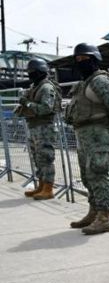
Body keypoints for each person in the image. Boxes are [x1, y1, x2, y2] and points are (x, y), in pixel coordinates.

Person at [64, 44, 109, 235]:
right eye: (78, 59)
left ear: (95, 60)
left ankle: (104, 218)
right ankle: (94, 212)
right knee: (87, 175)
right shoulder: (85, 82)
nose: (81, 62)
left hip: (99, 134)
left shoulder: (100, 81)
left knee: (99, 173)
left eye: (85, 59)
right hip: (84, 135)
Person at [16, 58, 61, 200]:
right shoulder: (35, 87)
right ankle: (41, 186)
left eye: (33, 71)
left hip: (44, 128)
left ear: (41, 72)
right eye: (29, 72)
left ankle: (48, 189)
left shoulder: (46, 88)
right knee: (37, 158)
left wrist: (28, 104)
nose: (30, 74)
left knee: (45, 158)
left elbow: (46, 108)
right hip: (34, 127)